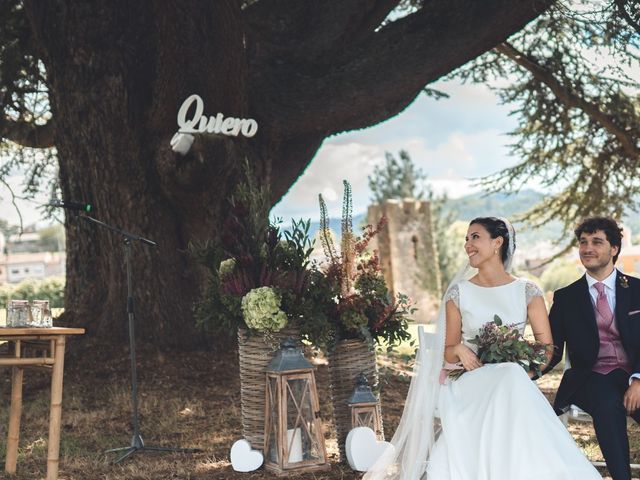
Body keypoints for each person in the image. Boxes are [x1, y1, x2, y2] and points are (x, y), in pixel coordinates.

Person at [365, 217, 600, 480]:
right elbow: (448, 350)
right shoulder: (459, 293)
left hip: (513, 383)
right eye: (466, 239)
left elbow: (546, 349)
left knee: (511, 375)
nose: (468, 245)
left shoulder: (527, 291)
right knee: (511, 376)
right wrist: (459, 350)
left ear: (497, 242)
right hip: (469, 382)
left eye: (475, 237)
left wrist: (528, 374)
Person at [544, 217, 640, 480]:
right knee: (608, 405)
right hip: (590, 378)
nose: (588, 248)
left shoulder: (637, 290)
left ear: (614, 249)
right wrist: (523, 371)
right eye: (583, 242)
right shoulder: (566, 298)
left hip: (633, 376)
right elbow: (551, 350)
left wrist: (638, 380)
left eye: (597, 242)